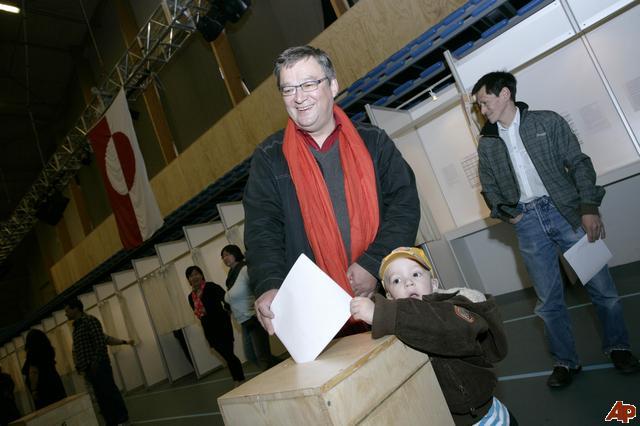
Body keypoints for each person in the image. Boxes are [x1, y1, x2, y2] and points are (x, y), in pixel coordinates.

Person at [471, 71, 639, 388]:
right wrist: (510, 214)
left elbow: (579, 163)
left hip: (567, 214)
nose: (482, 109)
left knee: (602, 288)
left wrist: (588, 208)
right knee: (548, 302)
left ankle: (619, 347)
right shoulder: (488, 144)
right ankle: (565, 362)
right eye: (479, 105)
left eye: (484, 101)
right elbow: (489, 188)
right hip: (528, 224)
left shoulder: (547, 121)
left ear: (505, 94)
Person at [243, 45, 420, 336]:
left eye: (308, 84)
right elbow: (262, 229)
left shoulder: (373, 141)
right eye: (288, 89)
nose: (299, 97)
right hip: (317, 313)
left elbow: (404, 205)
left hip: (389, 293)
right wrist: (269, 284)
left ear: (333, 85)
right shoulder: (269, 157)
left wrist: (373, 263)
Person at [350, 247, 513, 425]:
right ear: (390, 297)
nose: (408, 283)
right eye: (396, 280)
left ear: (434, 284)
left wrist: (383, 313)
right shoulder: (397, 324)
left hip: (481, 417)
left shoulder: (454, 307)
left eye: (416, 274)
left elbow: (443, 328)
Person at [65, 298, 132, 425]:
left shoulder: (89, 321)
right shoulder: (76, 327)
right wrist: (80, 366)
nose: (66, 314)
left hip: (99, 366)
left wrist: (95, 364)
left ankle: (123, 419)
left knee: (110, 393)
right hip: (89, 369)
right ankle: (111, 421)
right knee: (101, 398)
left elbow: (100, 343)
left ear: (76, 309)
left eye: (67, 311)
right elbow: (80, 348)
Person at [185, 266, 245, 384]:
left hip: (222, 325)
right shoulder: (190, 297)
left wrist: (227, 311)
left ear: (201, 275)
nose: (194, 277)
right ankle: (239, 379)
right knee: (227, 355)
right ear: (189, 279)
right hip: (209, 330)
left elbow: (226, 299)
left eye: (197, 274)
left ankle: (238, 380)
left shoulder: (211, 286)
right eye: (191, 275)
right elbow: (197, 313)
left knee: (229, 354)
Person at [222, 245, 276, 371]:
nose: (225, 258)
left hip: (253, 318)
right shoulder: (230, 277)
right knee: (251, 356)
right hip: (244, 321)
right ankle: (281, 366)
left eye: (227, 254)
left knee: (263, 357)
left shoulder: (244, 269)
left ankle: (276, 373)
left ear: (235, 253)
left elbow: (257, 286)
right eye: (223, 256)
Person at [21, 329, 66, 410]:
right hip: (55, 382)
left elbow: (33, 372)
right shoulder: (49, 350)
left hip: (42, 388)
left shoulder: (32, 354)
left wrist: (34, 390)